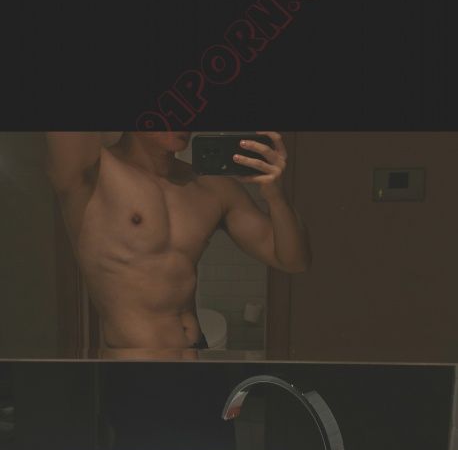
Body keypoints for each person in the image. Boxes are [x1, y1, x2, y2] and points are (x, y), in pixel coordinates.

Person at [46, 131, 311, 359]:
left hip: (198, 358)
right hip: (135, 368)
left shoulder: (211, 187)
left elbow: (294, 260)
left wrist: (275, 194)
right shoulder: (92, 174)